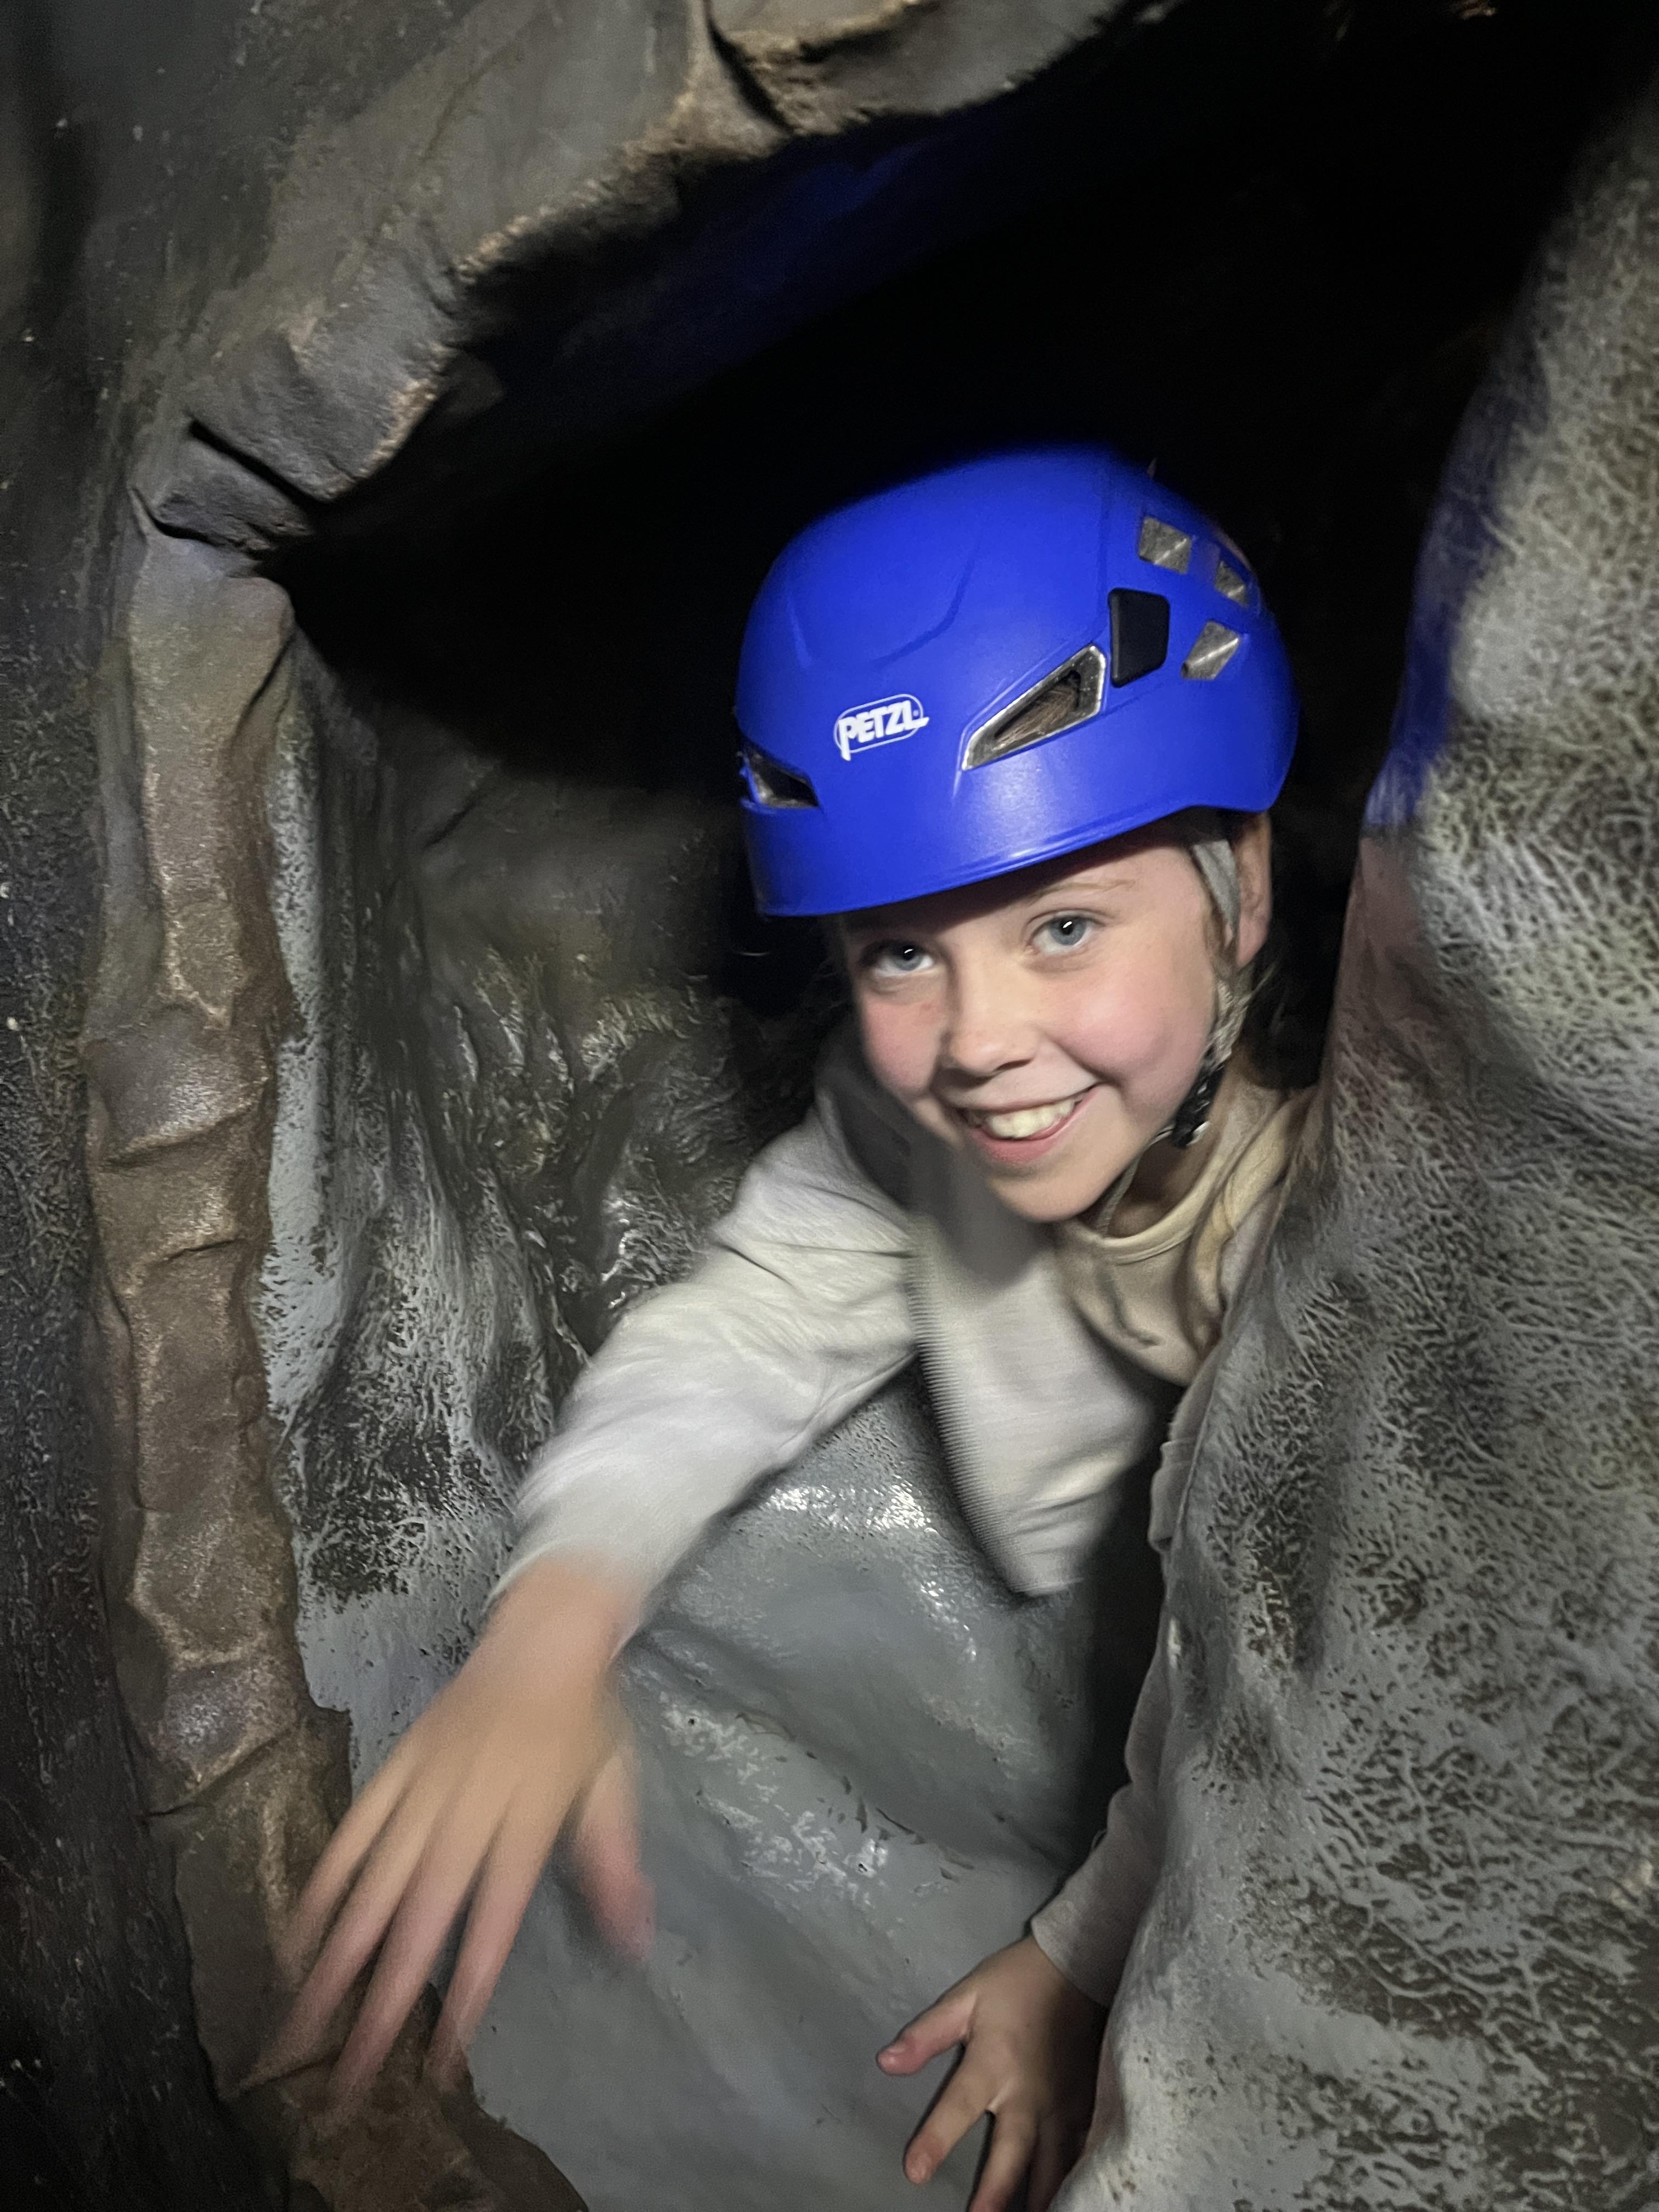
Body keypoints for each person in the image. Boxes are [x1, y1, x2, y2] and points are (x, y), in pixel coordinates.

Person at [268, 446, 1313, 2211]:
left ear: (1244, 892)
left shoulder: (1337, 1214)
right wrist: (558, 1615)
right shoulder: (926, 1118)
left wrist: (1078, 1958)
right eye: (900, 953)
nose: (978, 1040)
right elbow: (752, 1322)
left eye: (1065, 925)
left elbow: (1279, 1652)